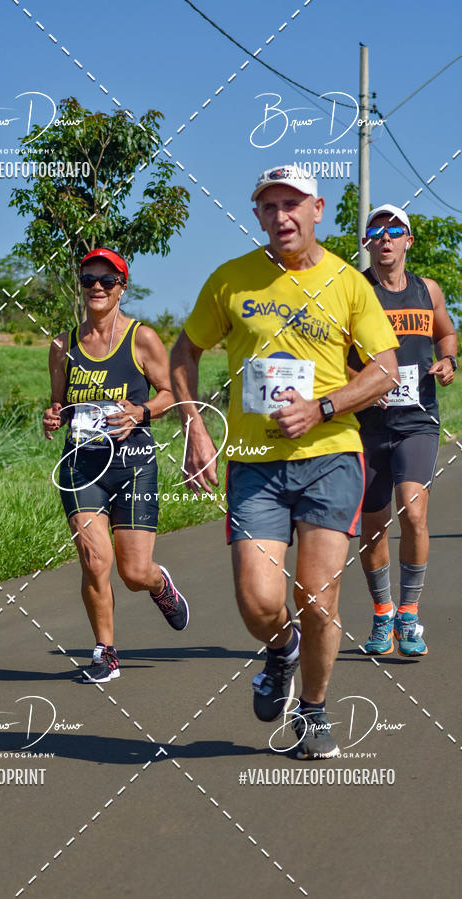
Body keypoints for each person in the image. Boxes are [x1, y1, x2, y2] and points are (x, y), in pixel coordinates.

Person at [170, 166, 399, 759]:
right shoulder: (231, 280)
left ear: (317, 209)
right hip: (254, 463)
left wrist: (323, 407)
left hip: (330, 457)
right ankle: (281, 650)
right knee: (257, 601)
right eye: (269, 206)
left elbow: (385, 370)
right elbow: (185, 350)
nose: (281, 216)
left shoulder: (348, 283)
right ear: (257, 215)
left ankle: (315, 710)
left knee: (318, 598)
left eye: (293, 204)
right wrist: (195, 427)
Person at [43, 247, 189, 683]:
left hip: (133, 464)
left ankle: (158, 584)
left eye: (107, 280)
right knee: (94, 559)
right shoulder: (62, 346)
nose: (98, 287)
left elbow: (169, 393)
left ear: (122, 287)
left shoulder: (142, 338)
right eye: (89, 279)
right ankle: (104, 652)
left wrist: (140, 412)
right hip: (81, 465)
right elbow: (58, 403)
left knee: (133, 572)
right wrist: (53, 416)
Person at [350, 205, 457, 657]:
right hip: (367, 426)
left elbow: (446, 334)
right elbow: (332, 353)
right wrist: (359, 386)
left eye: (395, 230)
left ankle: (409, 616)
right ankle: (382, 615)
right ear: (367, 242)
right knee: (374, 526)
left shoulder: (427, 290)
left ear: (408, 241)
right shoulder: (355, 291)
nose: (386, 238)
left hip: (417, 421)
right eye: (377, 231)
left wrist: (449, 360)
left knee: (413, 514)